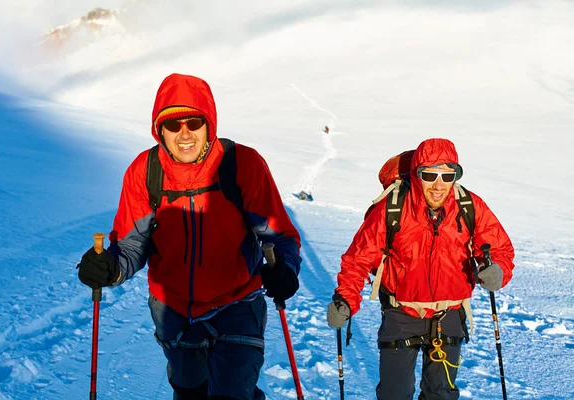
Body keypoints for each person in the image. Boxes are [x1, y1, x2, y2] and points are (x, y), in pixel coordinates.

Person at [77, 73, 302, 400]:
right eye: (172, 125)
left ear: (209, 125)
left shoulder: (242, 165)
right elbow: (131, 243)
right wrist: (109, 267)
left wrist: (285, 269)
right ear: (159, 130)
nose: (184, 134)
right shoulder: (145, 171)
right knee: (188, 391)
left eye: (194, 122)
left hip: (238, 303)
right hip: (172, 309)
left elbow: (280, 234)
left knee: (232, 393)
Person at [327, 138, 514, 399]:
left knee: (442, 395)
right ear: (417, 175)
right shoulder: (391, 208)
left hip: (449, 314)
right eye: (430, 175)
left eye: (448, 176)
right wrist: (346, 299)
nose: (439, 185)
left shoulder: (470, 206)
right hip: (400, 314)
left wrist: (498, 271)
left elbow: (498, 249)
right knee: (395, 394)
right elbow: (358, 259)